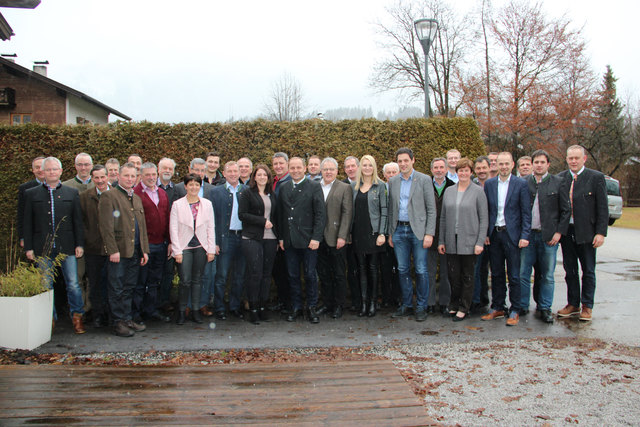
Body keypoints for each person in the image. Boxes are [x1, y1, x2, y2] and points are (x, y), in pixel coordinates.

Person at [24, 157, 86, 334]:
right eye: (48, 170)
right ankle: (48, 319)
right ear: (43, 172)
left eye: (55, 169)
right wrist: (28, 247)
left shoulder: (71, 193)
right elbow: (28, 223)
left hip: (67, 246)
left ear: (60, 171)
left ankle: (77, 318)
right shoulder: (32, 194)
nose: (52, 172)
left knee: (73, 284)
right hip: (42, 248)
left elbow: (77, 222)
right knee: (46, 284)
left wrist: (79, 244)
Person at [557, 145, 608, 321]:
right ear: (566, 159)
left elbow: (602, 208)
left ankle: (587, 306)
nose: (573, 161)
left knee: (588, 270)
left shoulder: (596, 178)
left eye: (577, 158)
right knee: (569, 270)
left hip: (587, 232)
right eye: (570, 158)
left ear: (584, 159)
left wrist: (600, 233)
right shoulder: (561, 178)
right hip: (567, 232)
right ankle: (573, 303)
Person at [99, 162, 149, 337]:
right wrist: (112, 250)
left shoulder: (136, 198)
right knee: (116, 287)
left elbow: (141, 227)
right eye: (126, 175)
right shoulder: (109, 196)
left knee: (129, 287)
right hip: (118, 252)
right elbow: (106, 227)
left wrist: (144, 250)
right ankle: (118, 322)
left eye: (133, 176)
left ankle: (127, 318)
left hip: (134, 251)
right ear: (118, 176)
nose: (130, 179)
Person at [520, 150, 570, 323]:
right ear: (532, 164)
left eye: (542, 162)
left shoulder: (558, 182)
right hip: (528, 236)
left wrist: (558, 233)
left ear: (548, 164)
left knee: (547, 275)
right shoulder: (524, 182)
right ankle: (522, 305)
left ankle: (545, 307)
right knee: (523, 273)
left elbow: (566, 210)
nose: (539, 165)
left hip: (548, 237)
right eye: (536, 162)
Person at [387, 147, 437, 322]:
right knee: (402, 269)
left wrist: (430, 233)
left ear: (413, 160)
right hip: (399, 230)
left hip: (419, 231)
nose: (403, 164)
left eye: (405, 160)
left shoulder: (423, 180)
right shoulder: (393, 181)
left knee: (421, 269)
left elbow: (431, 209)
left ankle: (421, 306)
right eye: (399, 161)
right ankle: (407, 305)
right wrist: (390, 233)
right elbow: (391, 209)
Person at [482, 152, 531, 326]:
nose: (503, 167)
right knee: (496, 273)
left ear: (512, 165)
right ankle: (497, 306)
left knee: (514, 275)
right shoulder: (489, 184)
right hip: (494, 234)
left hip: (513, 236)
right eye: (500, 163)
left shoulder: (521, 184)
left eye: (506, 164)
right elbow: (486, 211)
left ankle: (515, 309)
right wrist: (485, 234)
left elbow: (526, 213)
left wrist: (525, 235)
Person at [438, 158, 488, 321]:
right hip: (451, 239)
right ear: (457, 172)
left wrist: (480, 242)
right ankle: (453, 304)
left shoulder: (478, 191)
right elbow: (444, 218)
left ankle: (464, 307)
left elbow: (484, 218)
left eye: (466, 170)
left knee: (467, 276)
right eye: (460, 170)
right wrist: (441, 241)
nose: (463, 173)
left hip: (470, 240)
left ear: (471, 172)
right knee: (453, 275)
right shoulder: (449, 191)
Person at [277, 157, 326, 323]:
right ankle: (296, 306)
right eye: (292, 167)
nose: (296, 170)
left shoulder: (314, 186)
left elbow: (320, 214)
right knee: (292, 275)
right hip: (290, 240)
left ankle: (311, 307)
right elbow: (282, 215)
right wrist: (282, 237)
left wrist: (316, 237)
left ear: (304, 168)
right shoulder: (284, 187)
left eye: (299, 167)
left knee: (311, 275)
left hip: (309, 240)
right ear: (288, 169)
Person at [170, 174, 216, 325]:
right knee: (185, 280)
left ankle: (195, 310)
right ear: (185, 186)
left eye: (197, 185)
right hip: (184, 247)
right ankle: (182, 311)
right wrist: (177, 251)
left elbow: (211, 227)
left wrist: (210, 249)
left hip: (201, 247)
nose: (194, 187)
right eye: (191, 185)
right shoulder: (177, 204)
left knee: (197, 280)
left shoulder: (207, 204)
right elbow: (174, 229)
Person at [238, 164, 278, 324]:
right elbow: (242, 215)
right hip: (252, 238)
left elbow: (276, 217)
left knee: (267, 275)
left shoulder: (272, 195)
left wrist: (279, 237)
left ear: (268, 178)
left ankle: (263, 307)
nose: (262, 177)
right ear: (254, 177)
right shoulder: (247, 193)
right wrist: (262, 221)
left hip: (270, 238)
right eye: (259, 174)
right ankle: (253, 309)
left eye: (265, 175)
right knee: (255, 274)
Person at [133, 162, 171, 323]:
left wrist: (169, 241)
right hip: (144, 245)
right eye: (147, 175)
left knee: (155, 280)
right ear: (141, 176)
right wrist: (141, 247)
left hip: (161, 244)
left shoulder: (162, 193)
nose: (151, 177)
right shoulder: (136, 193)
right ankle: (136, 313)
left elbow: (168, 217)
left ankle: (151, 310)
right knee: (140, 281)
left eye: (153, 174)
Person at [315, 157, 353, 319]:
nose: (328, 172)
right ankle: (327, 303)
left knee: (338, 274)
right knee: (323, 273)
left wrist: (342, 236)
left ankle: (338, 305)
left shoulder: (344, 188)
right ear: (321, 171)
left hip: (337, 238)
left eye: (331, 169)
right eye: (325, 169)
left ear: (337, 171)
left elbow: (347, 213)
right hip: (319, 238)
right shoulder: (315, 187)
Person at [351, 155, 387, 317]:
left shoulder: (380, 186)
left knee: (373, 269)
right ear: (360, 168)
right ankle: (363, 304)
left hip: (373, 233)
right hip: (358, 233)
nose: (367, 168)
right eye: (364, 165)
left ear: (374, 167)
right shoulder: (353, 187)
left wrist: (382, 233)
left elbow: (385, 212)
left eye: (369, 165)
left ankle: (373, 303)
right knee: (361, 269)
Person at [211, 161, 247, 320]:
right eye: (229, 171)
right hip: (225, 238)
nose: (233, 174)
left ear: (240, 173)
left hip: (243, 238)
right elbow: (210, 220)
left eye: (235, 171)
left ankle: (234, 306)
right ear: (224, 174)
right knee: (222, 275)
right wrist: (215, 242)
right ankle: (219, 307)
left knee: (239, 276)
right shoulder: (215, 192)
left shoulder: (246, 191)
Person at [79, 165, 111, 328]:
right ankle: (98, 315)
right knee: (95, 283)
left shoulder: (116, 195)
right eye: (96, 178)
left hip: (113, 249)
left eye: (102, 177)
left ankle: (110, 314)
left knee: (112, 282)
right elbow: (81, 222)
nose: (100, 181)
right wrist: (87, 239)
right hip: (93, 248)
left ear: (108, 177)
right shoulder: (84, 197)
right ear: (92, 179)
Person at [427, 157, 455, 315]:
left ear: (446, 169)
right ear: (431, 170)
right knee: (429, 271)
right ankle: (430, 303)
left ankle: (445, 302)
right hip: (429, 234)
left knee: (446, 272)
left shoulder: (453, 187)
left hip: (447, 235)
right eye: (435, 167)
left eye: (441, 167)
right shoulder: (425, 185)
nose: (438, 170)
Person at [270, 152, 292, 313]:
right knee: (278, 271)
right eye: (275, 163)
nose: (278, 166)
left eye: (281, 163)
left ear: (287, 164)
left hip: (286, 234)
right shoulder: (272, 182)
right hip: (273, 233)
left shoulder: (291, 182)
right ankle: (283, 300)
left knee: (288, 271)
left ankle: (289, 303)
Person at [157, 157, 179, 312]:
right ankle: (151, 305)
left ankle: (164, 302)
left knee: (168, 273)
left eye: (170, 169)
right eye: (164, 168)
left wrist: (172, 241)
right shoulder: (149, 188)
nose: (167, 171)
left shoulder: (176, 190)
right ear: (158, 169)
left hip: (171, 239)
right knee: (153, 274)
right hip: (154, 239)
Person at [471, 156, 491, 312]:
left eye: (484, 167)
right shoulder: (471, 185)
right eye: (478, 168)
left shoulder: (495, 184)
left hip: (496, 234)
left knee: (494, 270)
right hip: (477, 234)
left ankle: (493, 300)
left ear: (489, 167)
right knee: (476, 269)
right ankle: (476, 299)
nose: (481, 171)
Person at [380, 162, 400, 307]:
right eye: (389, 172)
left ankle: (398, 297)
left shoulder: (402, 189)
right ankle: (386, 297)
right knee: (385, 268)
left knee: (399, 267)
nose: (391, 175)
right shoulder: (382, 189)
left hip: (398, 233)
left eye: (394, 172)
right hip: (383, 233)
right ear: (384, 175)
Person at [343, 155, 360, 311]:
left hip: (363, 234)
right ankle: (355, 301)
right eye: (347, 166)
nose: (350, 169)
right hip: (347, 235)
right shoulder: (341, 186)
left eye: (353, 166)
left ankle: (365, 300)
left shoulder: (366, 184)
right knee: (351, 269)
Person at [17, 156, 45, 247]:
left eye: (42, 167)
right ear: (33, 170)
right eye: (37, 167)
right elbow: (21, 213)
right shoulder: (25, 188)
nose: (40, 170)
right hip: (34, 236)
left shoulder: (59, 186)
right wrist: (22, 237)